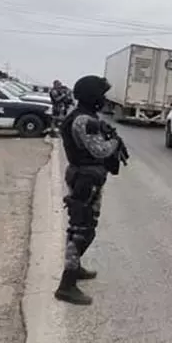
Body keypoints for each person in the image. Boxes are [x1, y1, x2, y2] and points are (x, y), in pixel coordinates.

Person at [55, 75, 129, 305]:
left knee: (84, 227)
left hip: (85, 177)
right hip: (85, 179)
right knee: (81, 230)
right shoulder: (83, 120)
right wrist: (115, 142)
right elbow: (100, 151)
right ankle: (66, 285)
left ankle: (75, 268)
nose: (103, 99)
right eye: (101, 95)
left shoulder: (83, 117)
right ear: (92, 96)